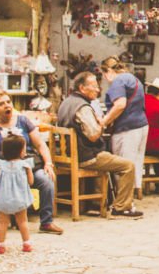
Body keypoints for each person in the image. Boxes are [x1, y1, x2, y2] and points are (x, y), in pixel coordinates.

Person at [0, 92, 63, 241]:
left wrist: (48, 163)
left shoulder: (23, 122)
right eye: (1, 104)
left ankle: (46, 222)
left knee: (46, 178)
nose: (7, 105)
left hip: (23, 167)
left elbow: (40, 144)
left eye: (8, 102)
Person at [56, 72, 142, 217]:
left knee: (106, 159)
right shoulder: (83, 108)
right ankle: (122, 206)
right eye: (94, 86)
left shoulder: (66, 102)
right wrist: (101, 123)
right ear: (82, 88)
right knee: (128, 166)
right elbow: (94, 135)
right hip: (86, 156)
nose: (98, 90)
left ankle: (95, 204)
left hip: (69, 155)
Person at [99, 57, 149, 198]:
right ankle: (137, 189)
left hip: (127, 128)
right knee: (137, 161)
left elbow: (120, 104)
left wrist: (104, 121)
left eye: (104, 75)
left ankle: (124, 197)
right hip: (142, 125)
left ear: (108, 71)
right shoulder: (134, 79)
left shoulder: (118, 81)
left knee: (123, 163)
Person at [0, 135, 35, 254]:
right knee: (23, 221)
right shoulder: (25, 165)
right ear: (20, 151)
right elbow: (31, 182)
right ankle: (26, 244)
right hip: (20, 199)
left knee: (2, 222)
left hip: (3, 200)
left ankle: (0, 245)